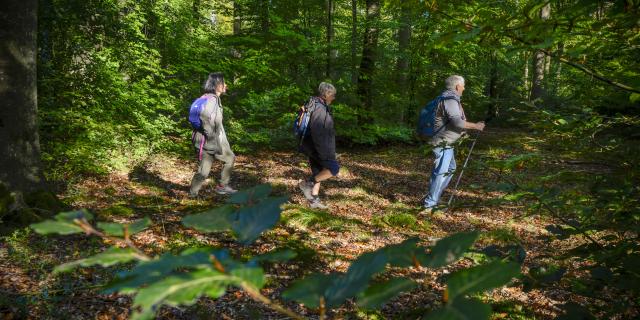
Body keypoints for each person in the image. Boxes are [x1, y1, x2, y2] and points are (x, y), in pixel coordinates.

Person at [423, 75, 485, 212]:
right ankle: (430, 204)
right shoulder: (450, 100)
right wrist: (475, 126)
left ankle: (433, 198)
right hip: (442, 143)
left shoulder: (449, 98)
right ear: (457, 86)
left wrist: (463, 132)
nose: (464, 88)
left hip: (447, 142)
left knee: (450, 169)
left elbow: (452, 123)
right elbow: (456, 122)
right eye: (463, 85)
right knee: (441, 172)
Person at [189, 72, 237, 197]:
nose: (226, 85)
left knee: (230, 157)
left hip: (212, 139)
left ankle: (222, 186)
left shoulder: (209, 98)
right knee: (204, 171)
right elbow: (205, 119)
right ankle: (193, 194)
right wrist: (210, 136)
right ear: (217, 85)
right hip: (208, 140)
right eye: (223, 83)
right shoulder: (212, 99)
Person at [298, 82, 339, 209]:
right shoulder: (319, 108)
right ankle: (307, 184)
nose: (334, 97)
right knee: (333, 169)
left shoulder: (315, 104)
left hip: (310, 146)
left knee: (319, 171)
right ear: (326, 94)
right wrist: (325, 152)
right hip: (317, 147)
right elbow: (318, 133)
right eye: (333, 94)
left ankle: (314, 201)